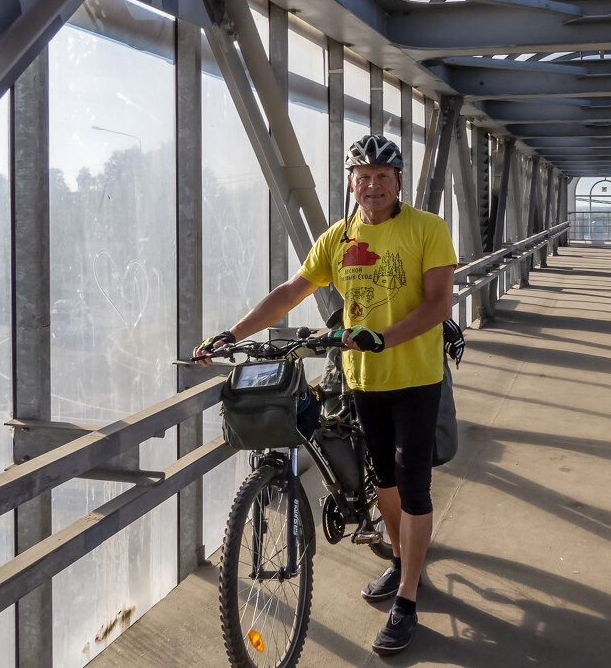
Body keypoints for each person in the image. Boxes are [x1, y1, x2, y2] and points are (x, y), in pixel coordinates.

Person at [194, 133, 456, 656]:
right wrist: (234, 334)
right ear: (352, 184)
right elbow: (292, 291)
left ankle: (406, 597)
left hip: (415, 377)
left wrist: (385, 337)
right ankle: (403, 561)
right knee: (383, 477)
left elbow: (437, 304)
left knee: (412, 479)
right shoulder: (337, 238)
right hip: (362, 379)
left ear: (398, 182)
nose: (374, 185)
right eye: (364, 178)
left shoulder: (428, 229)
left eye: (384, 177)